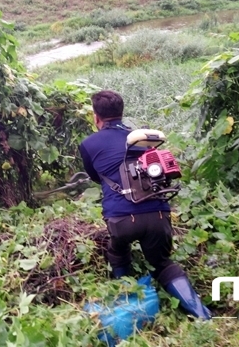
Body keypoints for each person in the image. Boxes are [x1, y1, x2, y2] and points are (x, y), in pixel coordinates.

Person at [79, 90, 210, 320]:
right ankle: (201, 314)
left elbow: (96, 177)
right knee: (162, 262)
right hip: (158, 214)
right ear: (121, 112)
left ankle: (130, 308)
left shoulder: (88, 144)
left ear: (96, 117)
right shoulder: (143, 138)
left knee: (118, 252)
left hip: (121, 219)